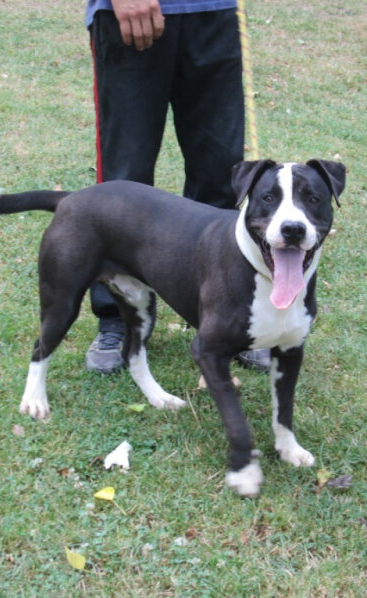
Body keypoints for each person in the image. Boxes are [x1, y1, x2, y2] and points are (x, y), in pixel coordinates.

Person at [85, 0, 270, 373]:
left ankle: (225, 314)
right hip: (130, 12)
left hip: (215, 12)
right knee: (124, 184)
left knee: (222, 176)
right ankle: (119, 319)